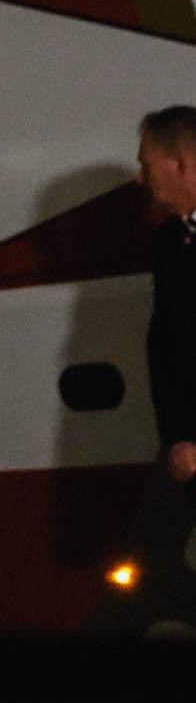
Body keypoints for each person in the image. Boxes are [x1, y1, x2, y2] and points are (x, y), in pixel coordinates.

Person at [140, 106, 196, 496]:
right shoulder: (170, 241)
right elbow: (163, 345)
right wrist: (176, 438)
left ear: (180, 164)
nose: (139, 177)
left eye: (146, 165)